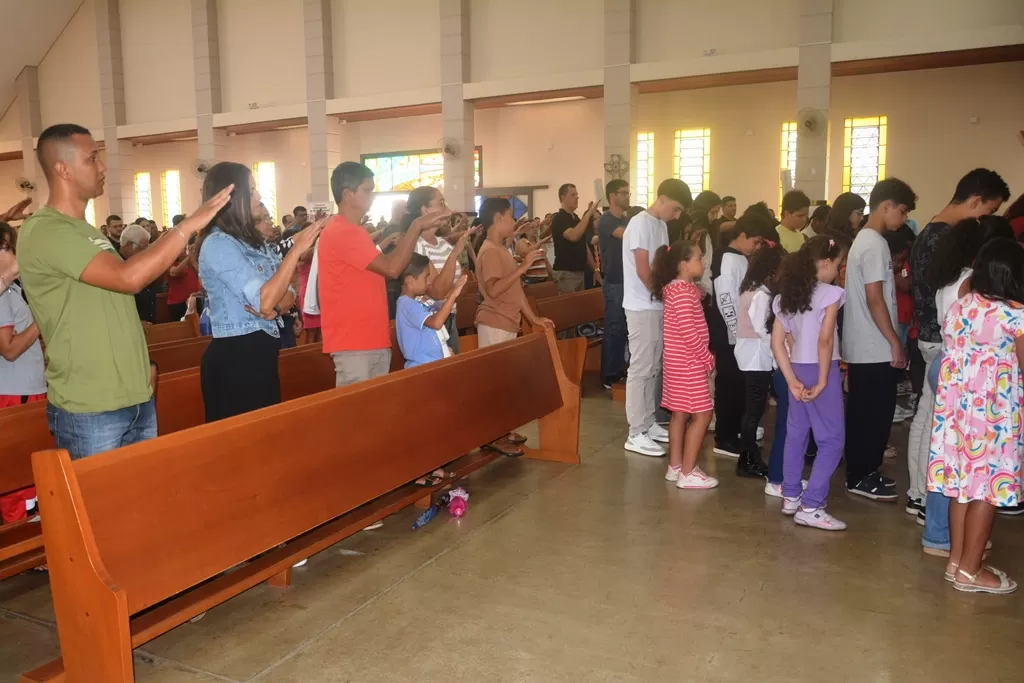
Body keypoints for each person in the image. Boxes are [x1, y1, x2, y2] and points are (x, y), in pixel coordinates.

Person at [16, 123, 231, 460]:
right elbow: (129, 278)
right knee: (97, 496)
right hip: (91, 405)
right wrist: (189, 224)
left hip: (133, 395)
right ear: (63, 169)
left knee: (142, 493)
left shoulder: (87, 233)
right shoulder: (46, 230)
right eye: (92, 158)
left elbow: (120, 294)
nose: (102, 167)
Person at [906, 170, 1010, 517]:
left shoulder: (933, 231)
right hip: (943, 343)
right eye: (989, 210)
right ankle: (925, 498)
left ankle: (919, 493)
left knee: (927, 419)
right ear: (976, 201)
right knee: (937, 427)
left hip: (933, 336)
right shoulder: (946, 242)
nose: (986, 220)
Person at [927, 238, 1024, 594]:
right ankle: (970, 572)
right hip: (993, 419)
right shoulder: (1015, 315)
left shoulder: (961, 306)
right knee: (987, 491)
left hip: (956, 416)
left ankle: (957, 561)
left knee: (961, 489)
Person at [196, 163, 321, 422]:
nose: (259, 196)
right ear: (231, 196)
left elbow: (288, 293)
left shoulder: (253, 243)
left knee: (266, 434)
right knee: (240, 441)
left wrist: (274, 306)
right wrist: (295, 252)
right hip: (235, 360)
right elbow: (265, 299)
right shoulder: (218, 244)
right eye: (252, 190)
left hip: (261, 353)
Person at [318, 162, 445, 387]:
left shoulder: (355, 232)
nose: (373, 196)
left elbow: (387, 267)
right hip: (354, 341)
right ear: (348, 194)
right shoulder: (342, 231)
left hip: (370, 337)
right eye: (367, 190)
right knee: (358, 408)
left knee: (375, 407)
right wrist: (416, 226)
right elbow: (393, 268)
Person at [842, 178, 917, 501]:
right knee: (872, 415)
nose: (903, 218)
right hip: (873, 345)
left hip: (866, 344)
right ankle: (860, 475)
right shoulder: (874, 243)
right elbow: (875, 299)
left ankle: (865, 471)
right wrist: (894, 341)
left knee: (867, 412)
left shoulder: (866, 239)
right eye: (902, 211)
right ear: (887, 206)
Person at [771, 236, 847, 530]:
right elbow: (825, 340)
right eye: (838, 265)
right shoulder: (830, 294)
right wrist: (825, 379)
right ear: (826, 263)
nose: (838, 271)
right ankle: (812, 505)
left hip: (798, 368)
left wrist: (791, 380)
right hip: (821, 367)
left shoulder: (788, 296)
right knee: (832, 440)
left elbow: (778, 342)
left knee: (796, 433)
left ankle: (791, 495)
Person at [622, 178, 692, 457]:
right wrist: (666, 296)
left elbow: (662, 267)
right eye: (675, 208)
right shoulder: (639, 223)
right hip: (641, 306)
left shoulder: (661, 225)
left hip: (656, 305)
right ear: (661, 198)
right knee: (640, 368)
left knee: (653, 367)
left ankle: (648, 422)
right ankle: (635, 432)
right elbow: (643, 270)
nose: (676, 215)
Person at [650, 240, 717, 488]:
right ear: (683, 265)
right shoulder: (682, 293)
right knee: (703, 413)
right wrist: (706, 356)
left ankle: (676, 466)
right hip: (688, 363)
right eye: (698, 258)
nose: (703, 262)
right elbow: (688, 332)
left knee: (679, 413)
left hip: (679, 362)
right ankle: (688, 472)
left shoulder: (678, 289)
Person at [709, 216, 770, 463]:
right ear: (742, 235)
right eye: (755, 241)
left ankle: (735, 429)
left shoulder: (739, 257)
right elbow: (726, 299)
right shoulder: (726, 258)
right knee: (729, 384)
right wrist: (737, 333)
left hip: (739, 336)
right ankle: (724, 437)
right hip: (729, 335)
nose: (757, 247)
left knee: (738, 385)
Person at [0, 222, 45, 523]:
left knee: (30, 469)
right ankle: (19, 532)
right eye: (6, 247)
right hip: (15, 390)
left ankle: (33, 532)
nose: (14, 253)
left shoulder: (11, 289)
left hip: (27, 386)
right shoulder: (2, 294)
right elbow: (9, 349)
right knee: (17, 472)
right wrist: (43, 319)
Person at [735, 243, 784, 479]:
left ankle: (748, 456)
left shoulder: (750, 289)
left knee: (752, 409)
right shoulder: (762, 295)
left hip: (750, 354)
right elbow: (763, 330)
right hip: (757, 356)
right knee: (753, 411)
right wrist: (778, 358)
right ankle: (748, 459)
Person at [475, 197, 552, 345]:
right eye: (511, 216)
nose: (514, 222)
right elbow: (493, 290)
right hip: (496, 323)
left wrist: (533, 319)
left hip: (506, 322)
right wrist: (522, 267)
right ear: (499, 218)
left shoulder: (501, 248)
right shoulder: (491, 251)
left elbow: (516, 291)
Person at [409, 186, 473, 352]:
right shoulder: (416, 245)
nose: (448, 209)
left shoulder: (443, 244)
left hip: (450, 318)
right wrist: (455, 254)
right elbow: (436, 292)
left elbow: (463, 285)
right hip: (429, 323)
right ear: (425, 210)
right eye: (441, 203)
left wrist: (451, 290)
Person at [396, 253, 468, 368]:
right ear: (410, 281)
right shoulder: (407, 304)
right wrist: (453, 295)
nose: (429, 282)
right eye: (426, 277)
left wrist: (443, 349)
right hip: (422, 366)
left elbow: (430, 334)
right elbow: (436, 323)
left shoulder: (416, 302)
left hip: (432, 362)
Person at [598, 179, 630, 388]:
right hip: (615, 280)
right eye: (624, 193)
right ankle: (609, 374)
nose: (627, 196)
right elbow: (625, 236)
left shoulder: (627, 220)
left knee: (625, 327)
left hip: (629, 280)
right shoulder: (606, 220)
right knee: (614, 327)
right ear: (612, 196)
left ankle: (620, 368)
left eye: (628, 192)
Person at [550, 183, 599, 294]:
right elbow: (573, 236)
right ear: (563, 198)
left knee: (579, 304)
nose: (577, 197)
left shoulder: (575, 218)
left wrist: (595, 270)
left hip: (579, 271)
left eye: (577, 194)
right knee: (568, 304)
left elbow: (584, 247)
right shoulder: (559, 218)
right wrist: (588, 214)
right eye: (573, 195)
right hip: (566, 273)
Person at [118, 224, 159, 324]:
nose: (146, 252)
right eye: (143, 248)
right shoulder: (117, 265)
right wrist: (137, 321)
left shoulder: (140, 262)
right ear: (129, 244)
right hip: (132, 323)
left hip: (150, 322)